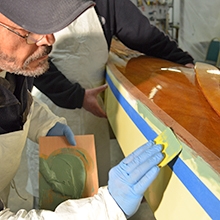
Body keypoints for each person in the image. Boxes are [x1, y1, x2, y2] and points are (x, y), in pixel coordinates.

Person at [0, 0, 164, 219]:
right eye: (28, 31)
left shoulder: (10, 71)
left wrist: (45, 124)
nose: (49, 40)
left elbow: (17, 101)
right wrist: (106, 208)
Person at [29, 0, 195, 195]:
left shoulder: (106, 2)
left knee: (89, 190)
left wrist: (183, 61)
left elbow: (143, 35)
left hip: (93, 108)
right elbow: (30, 58)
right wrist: (75, 96)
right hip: (51, 107)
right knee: (55, 195)